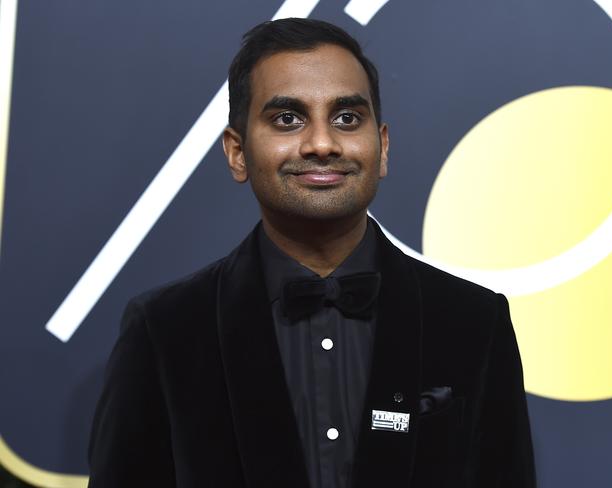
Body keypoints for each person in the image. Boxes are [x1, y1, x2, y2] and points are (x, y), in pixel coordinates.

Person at [87, 18, 536, 488]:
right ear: (237, 152)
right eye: (288, 119)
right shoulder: (163, 330)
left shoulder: (474, 321)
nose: (322, 143)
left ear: (381, 147)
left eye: (346, 118)